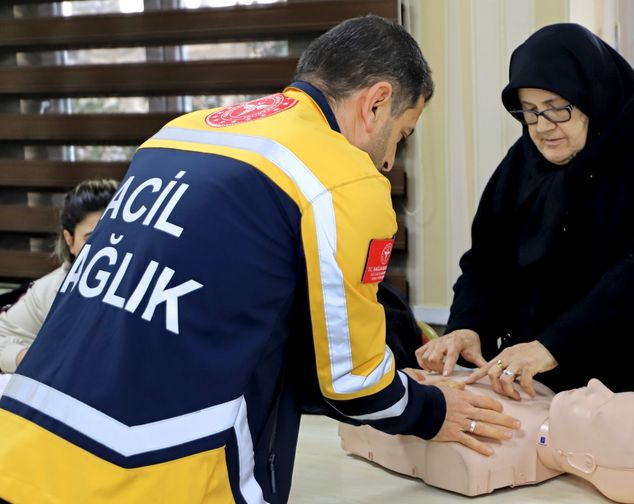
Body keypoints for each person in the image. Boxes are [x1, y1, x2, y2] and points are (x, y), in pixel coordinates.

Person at [0, 16, 520, 504]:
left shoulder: (179, 133)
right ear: (377, 102)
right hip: (149, 468)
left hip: (24, 445)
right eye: (402, 135)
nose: (388, 160)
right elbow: (351, 381)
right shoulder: (344, 179)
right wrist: (434, 411)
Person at [415, 23, 634, 450]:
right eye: (529, 111)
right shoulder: (524, 162)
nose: (542, 127)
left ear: (592, 95)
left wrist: (552, 344)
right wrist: (469, 325)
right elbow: (488, 261)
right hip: (567, 397)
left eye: (558, 107)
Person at [340, 371, 634, 504]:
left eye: (598, 409)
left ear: (582, 462)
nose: (594, 385)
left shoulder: (480, 456)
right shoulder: (544, 392)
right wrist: (401, 385)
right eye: (610, 392)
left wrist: (405, 399)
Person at [0, 178, 118, 373]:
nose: (107, 250)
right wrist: (36, 360)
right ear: (70, 240)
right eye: (92, 239)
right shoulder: (50, 289)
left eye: (115, 235)